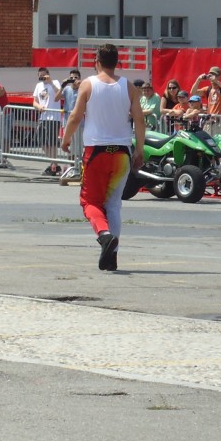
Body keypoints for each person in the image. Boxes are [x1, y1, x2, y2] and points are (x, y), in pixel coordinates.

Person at [60, 42, 146, 272]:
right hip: (121, 152)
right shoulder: (128, 87)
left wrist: (66, 139)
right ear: (117, 62)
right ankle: (112, 256)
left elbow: (76, 117)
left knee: (89, 201)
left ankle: (105, 235)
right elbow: (139, 120)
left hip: (96, 151)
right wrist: (140, 150)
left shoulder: (88, 84)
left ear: (96, 61)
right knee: (114, 204)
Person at [33, 67, 64, 175]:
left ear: (48, 74)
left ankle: (53, 165)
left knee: (52, 142)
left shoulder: (55, 82)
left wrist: (50, 82)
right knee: (41, 141)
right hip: (43, 116)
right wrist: (39, 106)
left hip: (53, 116)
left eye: (44, 75)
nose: (42, 78)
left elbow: (59, 94)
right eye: (40, 76)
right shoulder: (38, 86)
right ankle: (54, 163)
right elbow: (34, 101)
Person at [59, 70, 83, 183]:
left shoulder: (82, 89)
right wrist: (62, 85)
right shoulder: (67, 89)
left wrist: (80, 84)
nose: (73, 79)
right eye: (71, 77)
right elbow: (56, 98)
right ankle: (72, 167)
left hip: (79, 122)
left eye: (75, 77)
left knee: (78, 146)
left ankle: (79, 168)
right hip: (68, 121)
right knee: (69, 146)